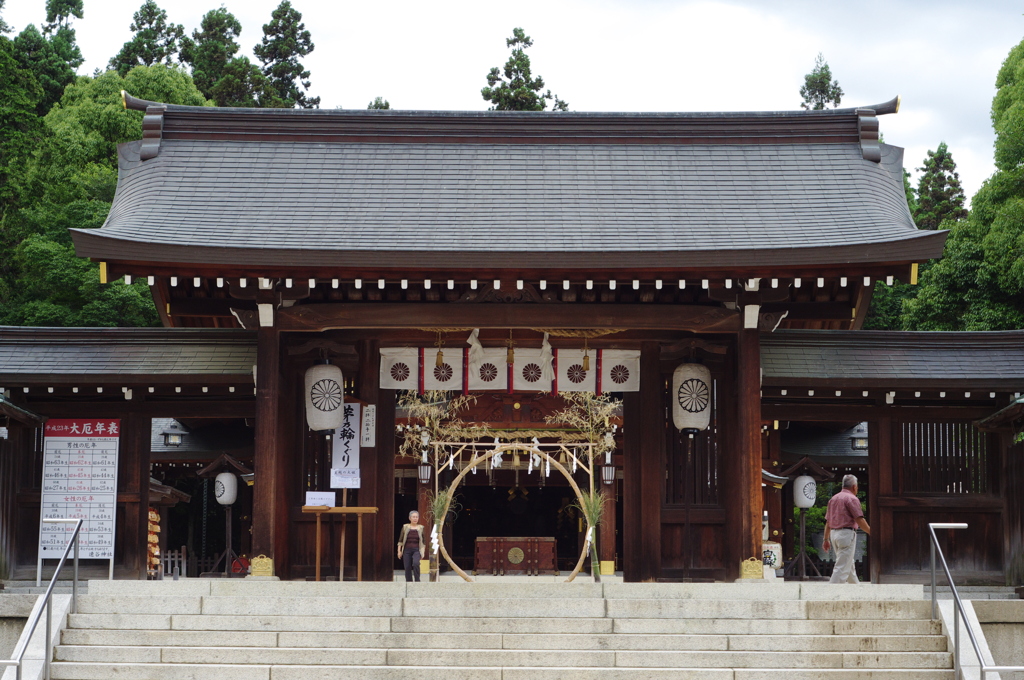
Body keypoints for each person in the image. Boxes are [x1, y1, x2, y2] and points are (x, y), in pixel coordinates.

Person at [822, 474, 870, 584]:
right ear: (854, 487)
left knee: (849, 564)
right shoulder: (852, 499)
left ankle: (856, 591)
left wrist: (825, 539)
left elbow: (828, 522)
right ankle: (831, 595)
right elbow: (860, 519)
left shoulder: (833, 499)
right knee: (842, 567)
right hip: (846, 534)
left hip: (834, 535)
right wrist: (872, 532)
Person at [397, 510, 426, 582]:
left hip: (416, 550)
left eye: (416, 517)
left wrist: (423, 552)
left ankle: (417, 580)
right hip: (406, 550)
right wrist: (399, 551)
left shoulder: (421, 528)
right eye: (413, 517)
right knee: (407, 567)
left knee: (416, 563)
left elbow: (423, 542)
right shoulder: (405, 527)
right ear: (410, 518)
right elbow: (400, 540)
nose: (415, 518)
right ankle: (409, 582)